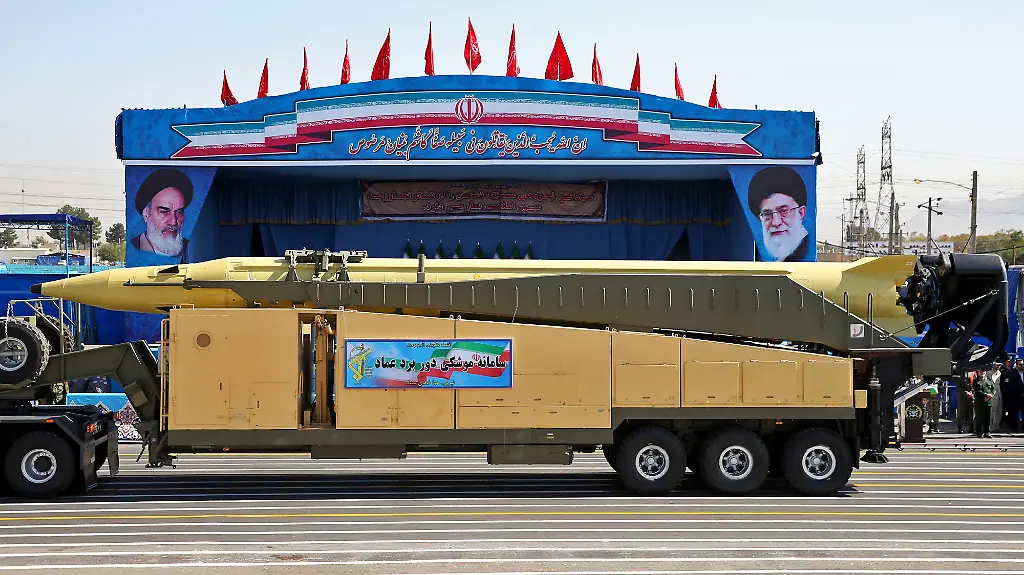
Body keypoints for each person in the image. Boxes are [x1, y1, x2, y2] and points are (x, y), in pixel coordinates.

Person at [747, 166, 812, 262]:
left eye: (783, 211)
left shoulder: (804, 256)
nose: (776, 222)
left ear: (801, 213)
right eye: (767, 214)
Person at [129, 168, 193, 259]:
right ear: (146, 213)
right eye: (164, 212)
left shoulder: (189, 248)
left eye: (179, 212)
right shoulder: (133, 248)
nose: (173, 221)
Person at [971, 365, 996, 438]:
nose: (982, 373)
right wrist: (986, 395)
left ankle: (987, 432)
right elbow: (977, 391)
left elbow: (993, 389)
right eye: (981, 371)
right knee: (979, 418)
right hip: (980, 402)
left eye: (984, 371)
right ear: (978, 372)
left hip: (988, 402)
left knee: (987, 418)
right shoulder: (976, 381)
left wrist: (990, 395)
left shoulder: (988, 380)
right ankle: (979, 432)